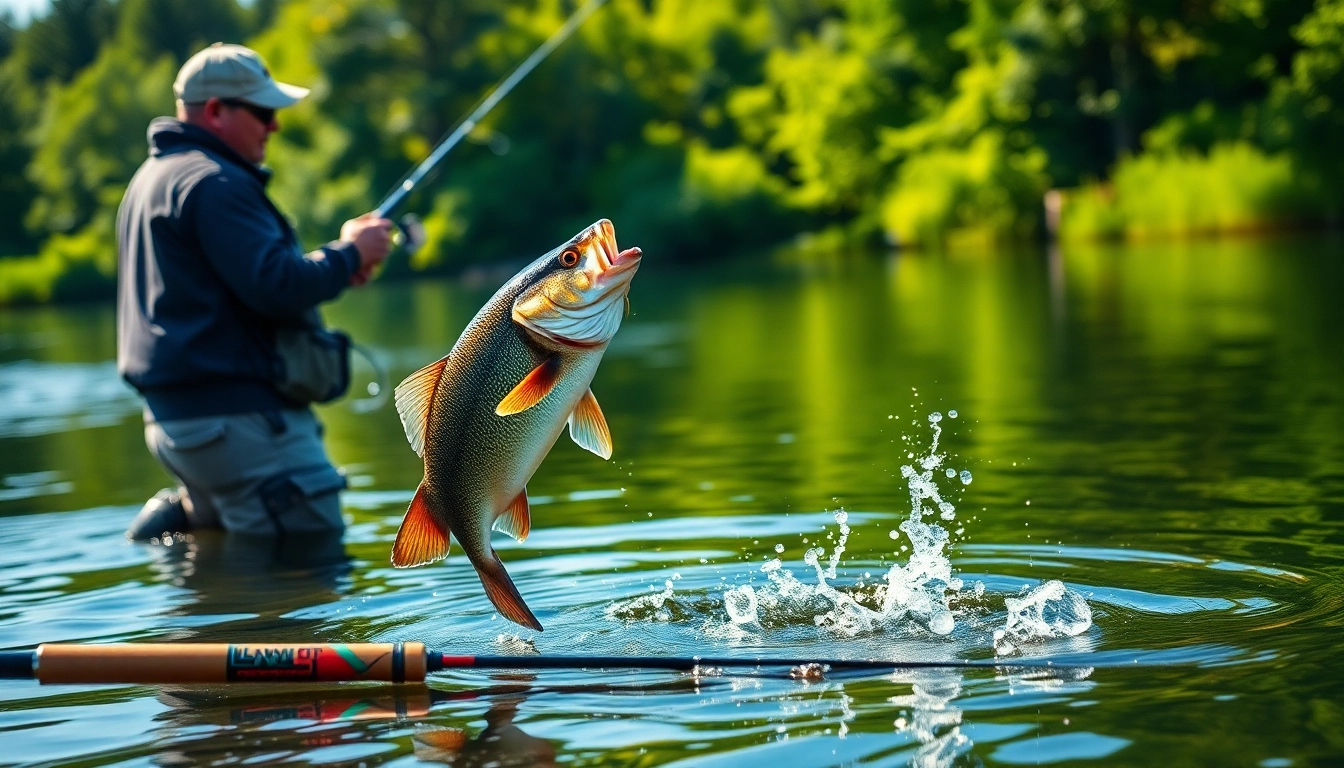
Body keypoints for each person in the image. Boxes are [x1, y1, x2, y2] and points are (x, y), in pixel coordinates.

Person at [117, 43, 392, 540]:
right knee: (312, 569)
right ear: (217, 111)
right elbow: (277, 286)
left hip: (181, 428)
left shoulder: (150, 180)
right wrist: (349, 253)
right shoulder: (214, 183)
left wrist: (331, 267)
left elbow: (239, 284)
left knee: (230, 584)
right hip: (242, 428)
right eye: (264, 112)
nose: (275, 126)